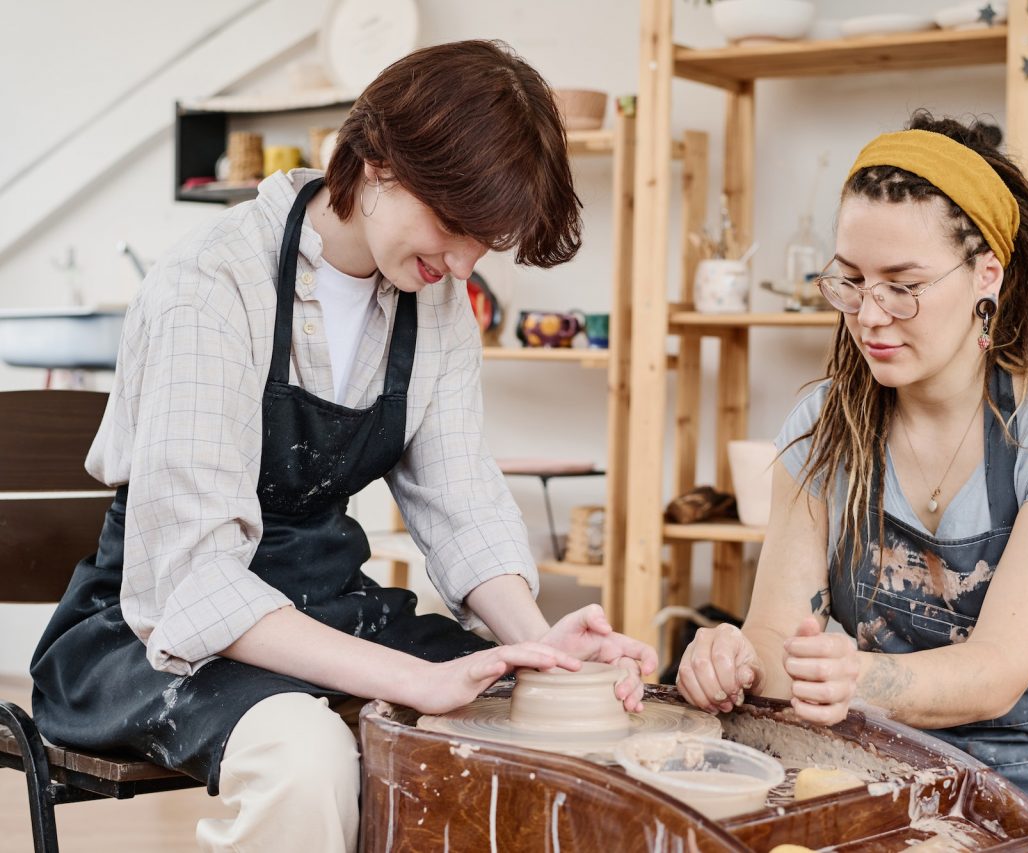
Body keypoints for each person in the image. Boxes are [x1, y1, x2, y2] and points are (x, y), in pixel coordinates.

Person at [30, 40, 655, 853]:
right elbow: (191, 578)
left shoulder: (435, 304)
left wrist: (533, 646)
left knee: (512, 717)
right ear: (379, 161)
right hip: (151, 627)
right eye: (455, 225)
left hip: (326, 602)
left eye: (485, 244)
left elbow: (461, 503)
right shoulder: (211, 286)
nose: (464, 262)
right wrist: (414, 677)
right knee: (307, 754)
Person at [675, 113, 1028, 851]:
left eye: (903, 286)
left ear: (985, 278)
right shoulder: (823, 427)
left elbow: (997, 672)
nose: (869, 316)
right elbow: (778, 631)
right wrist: (729, 659)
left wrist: (855, 679)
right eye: (850, 281)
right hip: (878, 781)